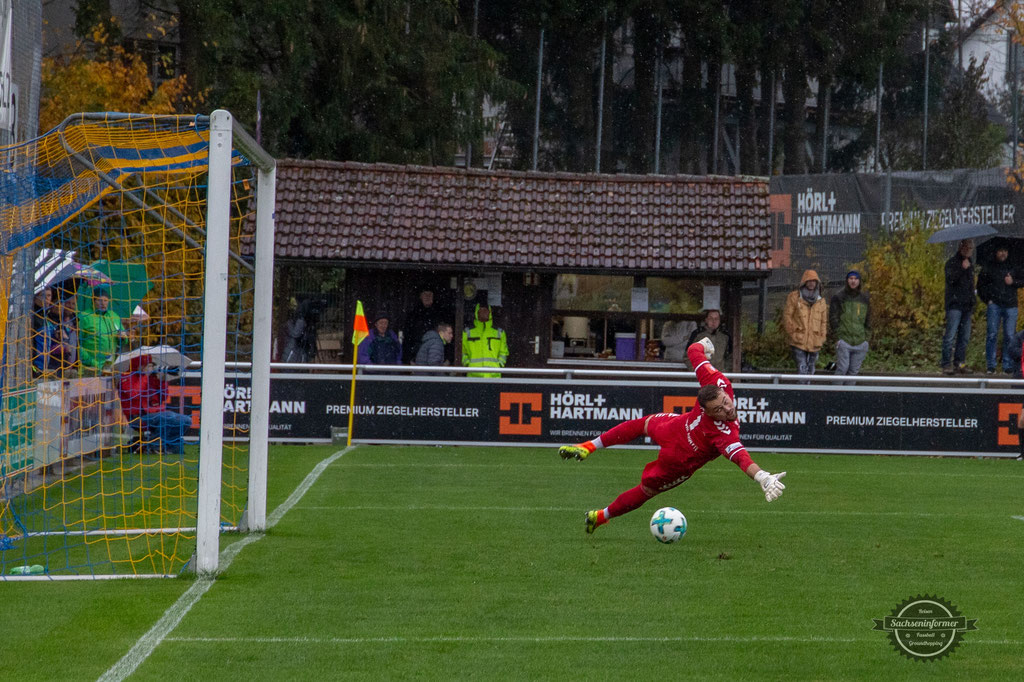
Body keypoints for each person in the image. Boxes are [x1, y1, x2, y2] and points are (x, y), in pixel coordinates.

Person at [557, 339, 788, 534]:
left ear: (724, 391)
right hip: (679, 458)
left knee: (642, 424)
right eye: (718, 409)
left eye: (725, 402)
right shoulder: (721, 432)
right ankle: (601, 515)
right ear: (706, 411)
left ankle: (590, 446)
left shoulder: (717, 382)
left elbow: (693, 352)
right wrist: (763, 478)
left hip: (676, 426)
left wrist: (703, 346)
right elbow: (741, 458)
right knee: (646, 490)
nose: (727, 409)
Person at [118, 354, 191, 454]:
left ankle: (170, 447)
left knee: (186, 420)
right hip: (136, 417)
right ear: (139, 365)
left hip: (155, 414)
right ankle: (154, 446)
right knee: (167, 417)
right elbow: (133, 393)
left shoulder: (152, 379)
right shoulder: (126, 376)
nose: (151, 368)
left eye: (151, 365)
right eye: (147, 365)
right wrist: (145, 376)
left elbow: (163, 397)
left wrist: (163, 381)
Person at [977, 243, 1024, 375]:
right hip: (995, 304)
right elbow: (981, 285)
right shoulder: (989, 266)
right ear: (996, 252)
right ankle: (991, 365)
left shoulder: (1014, 265)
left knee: (1010, 335)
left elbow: (1022, 280)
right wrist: (988, 300)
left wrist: (1013, 282)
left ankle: (1007, 365)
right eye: (1000, 250)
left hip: (1011, 304)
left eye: (1005, 250)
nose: (1003, 253)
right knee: (992, 334)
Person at [783, 270, 828, 379]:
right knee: (802, 369)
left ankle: (808, 391)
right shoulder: (794, 297)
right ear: (804, 282)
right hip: (798, 340)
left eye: (814, 281)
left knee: (811, 370)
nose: (811, 283)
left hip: (815, 341)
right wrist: (793, 332)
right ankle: (802, 392)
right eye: (809, 281)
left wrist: (822, 337)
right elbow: (787, 316)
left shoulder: (821, 301)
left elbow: (823, 322)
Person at [942, 239, 977, 375]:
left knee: (964, 337)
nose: (969, 251)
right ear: (961, 247)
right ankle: (946, 364)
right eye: (968, 248)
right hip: (955, 304)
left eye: (971, 249)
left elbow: (970, 284)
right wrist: (962, 269)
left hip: (967, 305)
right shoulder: (952, 263)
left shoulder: (970, 264)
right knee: (950, 335)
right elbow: (951, 279)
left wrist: (972, 301)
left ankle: (959, 363)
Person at [829, 270, 871, 381]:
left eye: (856, 279)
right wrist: (838, 336)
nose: (853, 281)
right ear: (847, 280)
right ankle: (836, 394)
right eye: (851, 278)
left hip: (860, 341)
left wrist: (866, 338)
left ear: (859, 281)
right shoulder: (838, 297)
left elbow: (868, 319)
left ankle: (848, 395)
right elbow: (833, 317)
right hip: (844, 340)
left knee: (853, 372)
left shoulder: (864, 299)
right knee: (842, 368)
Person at [77, 285, 127, 373]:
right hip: (89, 368)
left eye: (105, 300)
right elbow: (77, 344)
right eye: (99, 300)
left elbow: (124, 337)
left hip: (109, 366)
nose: (103, 303)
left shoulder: (114, 316)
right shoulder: (84, 317)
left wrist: (123, 338)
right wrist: (91, 362)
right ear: (93, 301)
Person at [462, 302, 508, 377]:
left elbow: (504, 352)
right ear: (477, 313)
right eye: (481, 310)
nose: (484, 313)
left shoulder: (499, 332)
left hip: (494, 375)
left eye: (486, 311)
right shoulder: (467, 332)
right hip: (474, 375)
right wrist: (468, 364)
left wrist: (499, 364)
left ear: (490, 313)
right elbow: (462, 352)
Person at [402, 289, 442, 364]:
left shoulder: (440, 314)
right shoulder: (413, 315)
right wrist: (409, 360)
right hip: (416, 357)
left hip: (437, 357)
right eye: (425, 294)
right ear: (420, 296)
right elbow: (407, 339)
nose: (427, 297)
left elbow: (448, 336)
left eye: (430, 294)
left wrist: (448, 359)